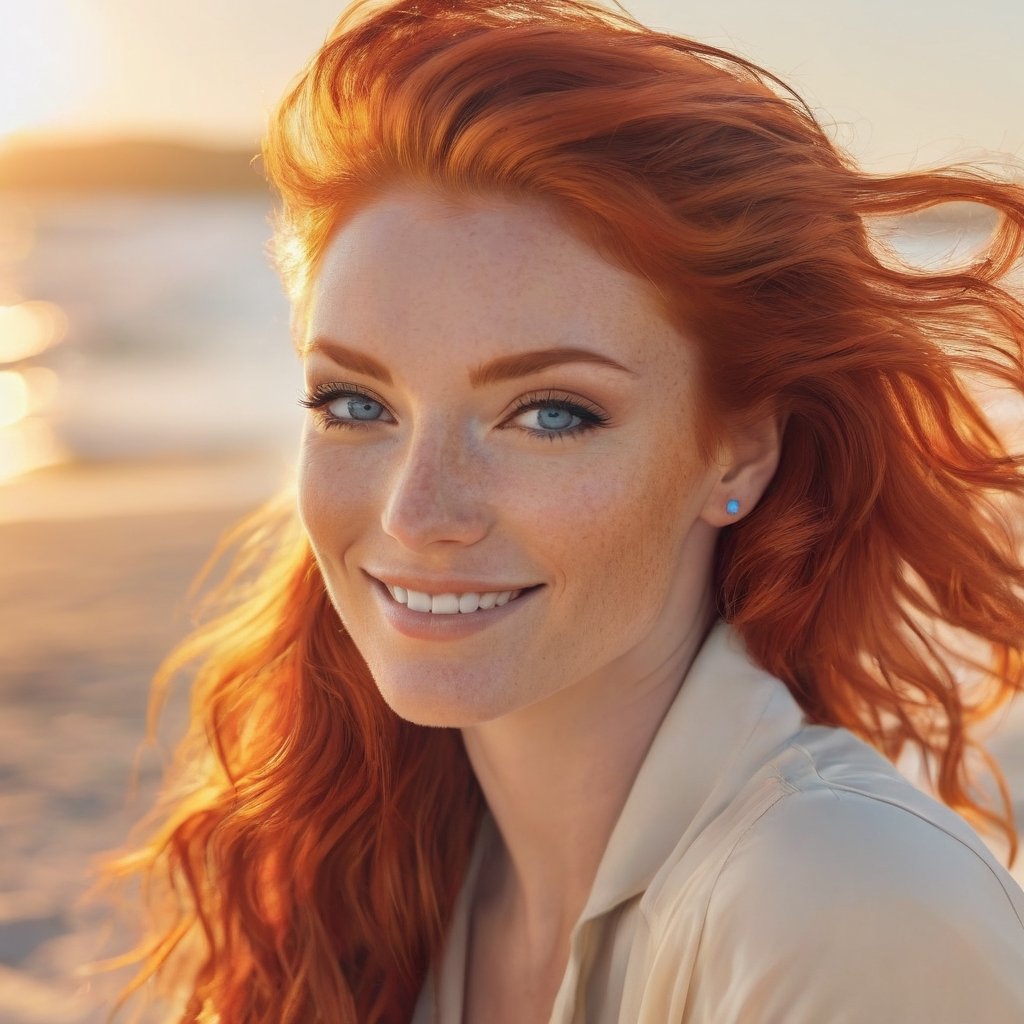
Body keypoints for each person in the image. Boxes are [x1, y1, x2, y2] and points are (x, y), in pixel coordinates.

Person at [104, 1, 1024, 1021]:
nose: (418, 512)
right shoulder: (391, 862)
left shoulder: (840, 904)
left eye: (548, 413)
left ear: (740, 450)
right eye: (356, 403)